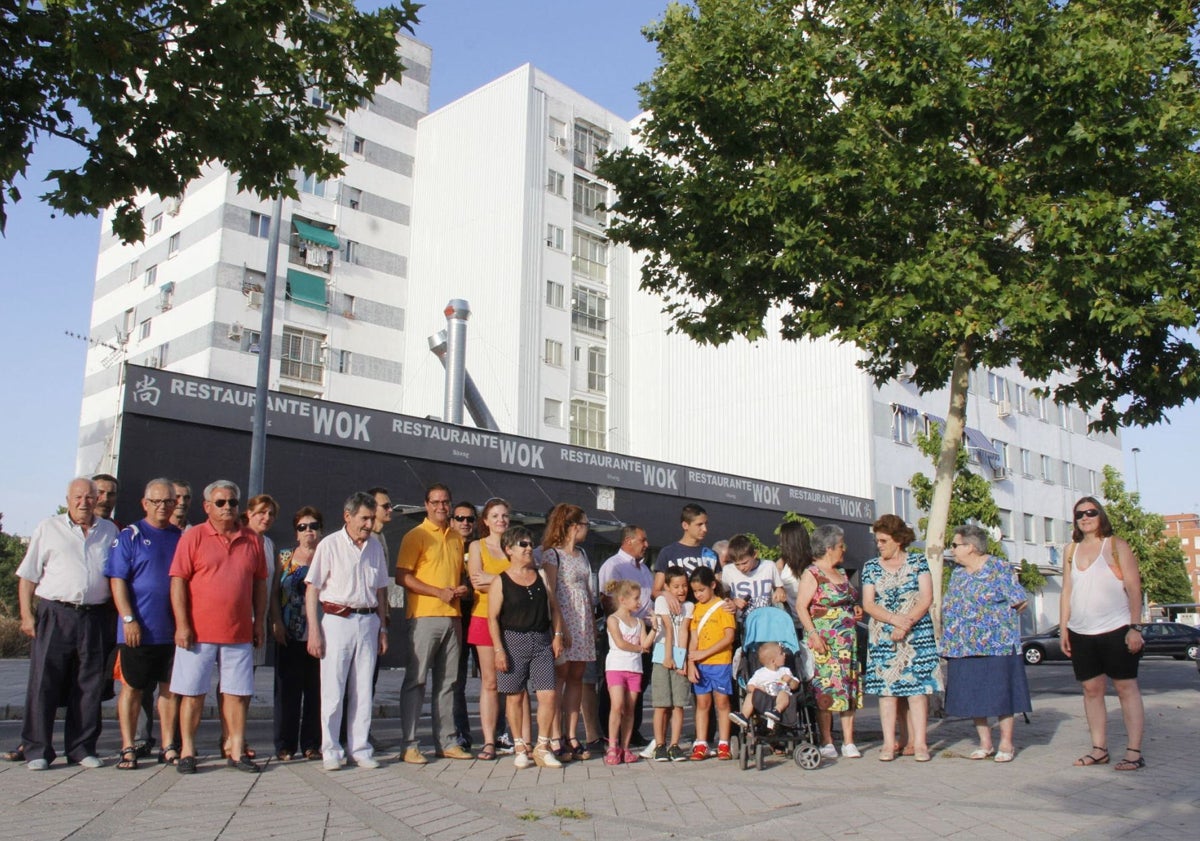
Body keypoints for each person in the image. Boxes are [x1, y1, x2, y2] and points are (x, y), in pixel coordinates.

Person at [17, 477, 119, 770]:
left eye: (90, 497)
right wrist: (26, 614)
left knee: (89, 684)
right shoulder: (48, 528)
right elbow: (28, 576)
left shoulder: (108, 530)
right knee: (44, 682)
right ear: (68, 499)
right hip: (56, 613)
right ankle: (37, 750)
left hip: (95, 615)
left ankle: (81, 748)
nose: (84, 502)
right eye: (78, 497)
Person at [168, 479, 267, 774]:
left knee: (237, 694)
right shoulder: (193, 536)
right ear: (207, 506)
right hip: (197, 633)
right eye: (221, 503)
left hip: (238, 633)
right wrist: (182, 624)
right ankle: (187, 750)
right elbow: (177, 582)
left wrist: (258, 622)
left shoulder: (252, 539)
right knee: (192, 693)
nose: (227, 508)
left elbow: (260, 584)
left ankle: (236, 750)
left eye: (233, 503)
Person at [305, 492, 390, 770]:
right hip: (336, 619)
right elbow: (313, 588)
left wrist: (383, 627)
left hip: (368, 621)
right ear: (348, 516)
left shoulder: (375, 547)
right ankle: (331, 749)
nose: (368, 524)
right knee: (333, 688)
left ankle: (360, 748)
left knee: (364, 688)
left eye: (371, 518)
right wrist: (314, 630)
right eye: (364, 518)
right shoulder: (329, 545)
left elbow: (380, 590)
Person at [1060, 497, 1146, 771]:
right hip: (1081, 631)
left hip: (1116, 628)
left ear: (1100, 515)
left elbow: (1134, 587)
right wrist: (1064, 627)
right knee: (1091, 689)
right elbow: (1067, 591)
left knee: (1125, 688)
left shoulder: (1116, 546)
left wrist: (1135, 627)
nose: (1084, 517)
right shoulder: (1070, 550)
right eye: (1079, 514)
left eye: (1090, 512)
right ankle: (1099, 749)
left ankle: (1134, 752)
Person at [105, 478, 183, 769]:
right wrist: (128, 619)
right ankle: (128, 746)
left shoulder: (180, 537)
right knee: (133, 689)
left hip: (171, 631)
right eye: (156, 501)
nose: (162, 506)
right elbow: (117, 580)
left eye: (168, 501)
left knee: (169, 690)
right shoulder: (130, 535)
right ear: (145, 503)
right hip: (137, 630)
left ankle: (168, 746)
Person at [941, 524, 1032, 763]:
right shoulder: (958, 574)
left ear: (970, 547)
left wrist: (1000, 619)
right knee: (973, 695)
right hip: (964, 646)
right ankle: (985, 742)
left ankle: (1006, 742)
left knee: (1002, 694)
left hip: (997, 645)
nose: (951, 550)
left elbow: (1020, 600)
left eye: (955, 545)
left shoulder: (998, 568)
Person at [396, 483, 471, 763]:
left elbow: (454, 576)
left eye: (445, 502)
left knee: (448, 682)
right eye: (435, 502)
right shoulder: (415, 536)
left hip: (453, 617)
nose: (441, 506)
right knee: (416, 680)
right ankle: (409, 744)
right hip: (424, 616)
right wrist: (437, 592)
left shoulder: (456, 538)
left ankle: (447, 741)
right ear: (426, 504)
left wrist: (460, 589)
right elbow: (402, 576)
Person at [861, 514, 941, 762]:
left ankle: (920, 744)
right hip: (884, 635)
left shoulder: (918, 562)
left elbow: (926, 598)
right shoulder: (871, 567)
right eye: (877, 541)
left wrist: (906, 623)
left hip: (917, 635)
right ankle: (888, 743)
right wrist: (894, 620)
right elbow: (868, 604)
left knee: (917, 691)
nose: (879, 545)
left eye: (883, 540)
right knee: (887, 692)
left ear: (898, 540)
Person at [487, 526, 566, 769]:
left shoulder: (541, 575)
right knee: (514, 697)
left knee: (548, 694)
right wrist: (499, 650)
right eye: (523, 544)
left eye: (530, 543)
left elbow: (554, 607)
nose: (529, 548)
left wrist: (557, 635)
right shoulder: (500, 581)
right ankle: (520, 745)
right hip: (513, 640)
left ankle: (543, 746)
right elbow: (493, 618)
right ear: (509, 549)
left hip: (541, 640)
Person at [796, 524, 862, 760]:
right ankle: (827, 739)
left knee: (847, 688)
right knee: (826, 688)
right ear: (829, 547)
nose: (844, 550)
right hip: (824, 640)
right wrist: (813, 634)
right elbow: (801, 607)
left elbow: (847, 599)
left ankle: (849, 740)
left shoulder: (842, 573)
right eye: (841, 545)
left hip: (846, 642)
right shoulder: (812, 573)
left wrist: (854, 608)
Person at [539, 503, 596, 761]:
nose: (586, 529)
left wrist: (591, 626)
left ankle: (572, 734)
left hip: (583, 622)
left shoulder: (582, 554)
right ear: (574, 526)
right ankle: (554, 736)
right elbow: (552, 594)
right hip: (564, 621)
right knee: (559, 679)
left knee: (577, 678)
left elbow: (587, 590)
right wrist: (559, 630)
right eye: (584, 524)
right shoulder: (553, 555)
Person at [269, 506, 324, 761]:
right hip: (289, 633)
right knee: (287, 692)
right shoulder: (284, 557)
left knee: (316, 691)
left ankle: (312, 744)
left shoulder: (327, 556)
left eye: (313, 526)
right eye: (303, 527)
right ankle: (285, 745)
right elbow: (273, 593)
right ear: (296, 532)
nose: (308, 531)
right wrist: (276, 621)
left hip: (321, 635)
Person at [597, 525, 653, 756]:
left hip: (642, 630)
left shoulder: (645, 569)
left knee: (637, 686)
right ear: (629, 541)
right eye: (643, 540)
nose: (646, 544)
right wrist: (627, 618)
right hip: (620, 630)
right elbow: (606, 598)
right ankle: (608, 733)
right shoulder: (613, 565)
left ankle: (632, 732)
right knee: (612, 690)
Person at [465, 498, 510, 760]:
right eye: (495, 516)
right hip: (484, 618)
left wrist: (493, 579)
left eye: (504, 515)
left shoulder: (515, 546)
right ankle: (489, 740)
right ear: (486, 520)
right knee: (490, 682)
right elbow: (476, 584)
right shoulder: (477, 546)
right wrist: (507, 582)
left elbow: (525, 580)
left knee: (512, 682)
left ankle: (511, 735)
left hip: (512, 622)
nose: (500, 520)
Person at [686, 566, 735, 761]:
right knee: (702, 703)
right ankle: (701, 742)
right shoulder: (696, 609)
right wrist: (691, 662)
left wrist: (706, 652)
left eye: (701, 590)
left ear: (713, 585)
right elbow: (693, 638)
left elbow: (729, 636)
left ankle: (724, 742)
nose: (698, 595)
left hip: (720, 662)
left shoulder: (723, 607)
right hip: (700, 664)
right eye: (695, 591)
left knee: (722, 702)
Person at [603, 579, 654, 765]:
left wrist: (655, 627)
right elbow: (620, 643)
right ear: (623, 599)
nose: (638, 602)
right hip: (616, 666)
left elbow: (646, 643)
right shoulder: (612, 619)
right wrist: (640, 649)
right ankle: (612, 745)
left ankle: (625, 747)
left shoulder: (639, 622)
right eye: (635, 598)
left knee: (630, 708)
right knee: (617, 706)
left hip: (634, 668)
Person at [649, 566, 692, 761]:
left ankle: (675, 745)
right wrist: (668, 656)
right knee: (661, 704)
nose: (681, 590)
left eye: (684, 586)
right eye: (676, 586)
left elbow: (683, 630)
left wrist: (681, 660)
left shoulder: (689, 606)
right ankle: (659, 744)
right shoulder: (661, 601)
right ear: (667, 587)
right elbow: (667, 627)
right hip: (661, 654)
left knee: (678, 704)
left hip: (678, 655)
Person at [450, 500, 478, 752]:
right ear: (452, 521)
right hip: (456, 615)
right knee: (456, 679)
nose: (465, 523)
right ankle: (461, 733)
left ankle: (500, 732)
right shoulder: (447, 544)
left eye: (469, 519)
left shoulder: (482, 547)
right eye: (460, 518)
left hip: (480, 614)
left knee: (495, 679)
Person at [652, 503, 719, 602]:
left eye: (706, 524)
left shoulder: (711, 555)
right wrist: (665, 595)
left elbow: (718, 589)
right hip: (678, 614)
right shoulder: (668, 553)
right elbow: (655, 592)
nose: (705, 529)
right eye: (699, 524)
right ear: (685, 525)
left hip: (705, 614)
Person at [729, 641, 801, 728]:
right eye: (781, 653)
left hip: (781, 699)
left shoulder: (786, 671)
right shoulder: (760, 673)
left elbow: (795, 686)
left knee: (784, 693)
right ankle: (744, 716)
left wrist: (790, 680)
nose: (785, 655)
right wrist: (758, 689)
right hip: (764, 699)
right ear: (773, 661)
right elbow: (749, 686)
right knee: (751, 694)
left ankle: (776, 711)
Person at [720, 534, 787, 618]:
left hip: (765, 620)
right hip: (740, 621)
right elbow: (723, 595)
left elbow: (779, 587)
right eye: (737, 564)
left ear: (755, 554)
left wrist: (779, 590)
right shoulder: (728, 570)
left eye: (745, 563)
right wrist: (733, 601)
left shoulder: (769, 566)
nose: (741, 568)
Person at [776, 521, 813, 622]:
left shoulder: (813, 563)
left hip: (811, 622)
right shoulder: (782, 563)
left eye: (783, 539)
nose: (780, 543)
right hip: (791, 623)